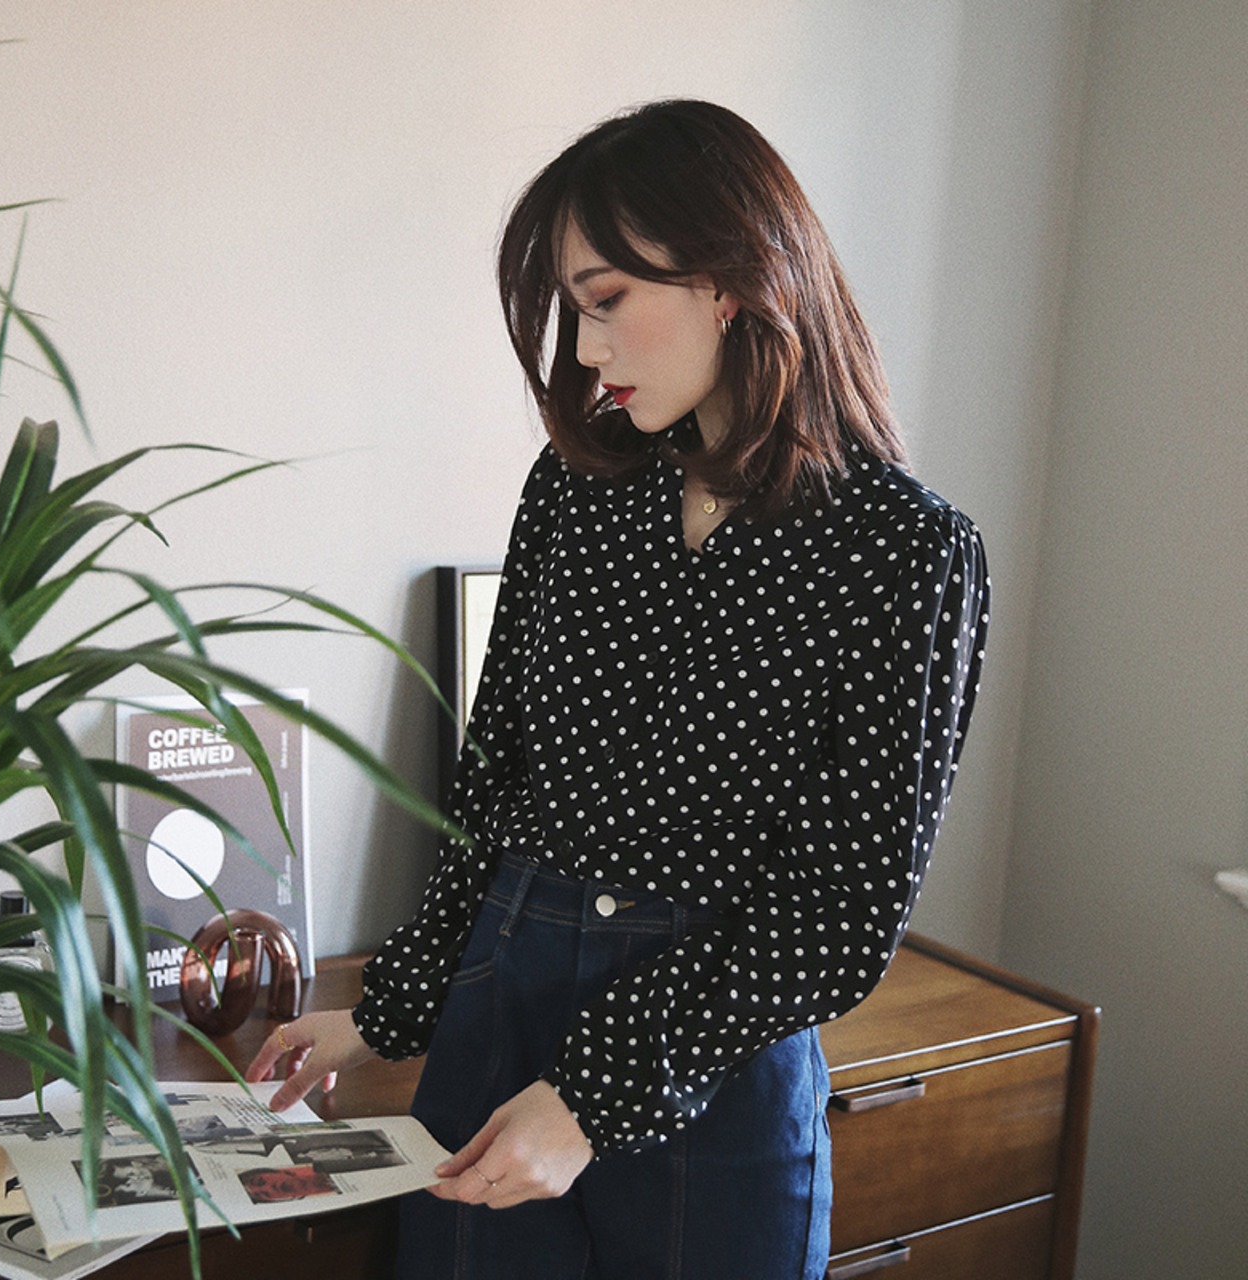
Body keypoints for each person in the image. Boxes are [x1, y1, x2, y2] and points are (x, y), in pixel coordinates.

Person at [247, 98, 989, 1279]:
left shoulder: (901, 547)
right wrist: (389, 1005)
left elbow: (842, 904)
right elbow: (493, 780)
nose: (586, 347)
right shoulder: (576, 484)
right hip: (503, 997)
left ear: (729, 280)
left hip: (714, 1055)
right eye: (573, 309)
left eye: (605, 300)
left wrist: (592, 1094)